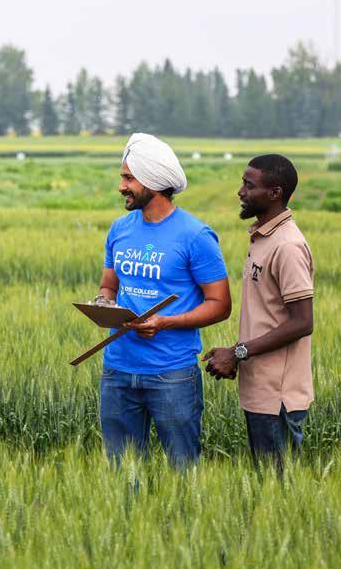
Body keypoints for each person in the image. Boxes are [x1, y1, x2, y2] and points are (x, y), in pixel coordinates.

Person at [97, 133, 231, 467]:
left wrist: (165, 322)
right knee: (123, 474)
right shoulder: (119, 229)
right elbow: (108, 287)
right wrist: (103, 306)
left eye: (129, 178)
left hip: (171, 374)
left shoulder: (195, 236)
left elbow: (220, 304)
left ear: (153, 182)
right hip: (117, 370)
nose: (121, 186)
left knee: (182, 471)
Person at [204, 155, 313, 473]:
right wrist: (235, 353)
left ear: (275, 193)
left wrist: (237, 353)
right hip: (260, 392)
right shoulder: (264, 239)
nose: (241, 191)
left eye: (249, 185)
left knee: (279, 489)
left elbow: (303, 322)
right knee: (267, 485)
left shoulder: (287, 246)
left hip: (278, 397)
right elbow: (268, 316)